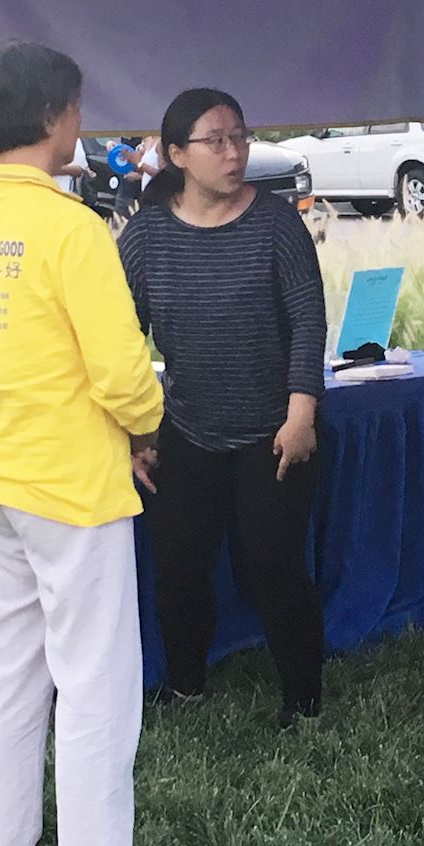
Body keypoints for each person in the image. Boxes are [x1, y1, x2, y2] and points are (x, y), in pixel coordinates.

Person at [0, 40, 163, 846]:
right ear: (49, 116)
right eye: (74, 106)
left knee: (8, 669)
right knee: (96, 682)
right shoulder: (71, 228)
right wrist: (145, 425)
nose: (80, 121)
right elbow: (121, 372)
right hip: (70, 484)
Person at [117, 89, 327, 728]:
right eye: (216, 141)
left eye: (240, 137)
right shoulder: (147, 234)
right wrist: (135, 434)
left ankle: (303, 700)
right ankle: (185, 685)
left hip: (273, 430)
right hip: (185, 430)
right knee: (179, 568)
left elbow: (308, 318)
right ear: (176, 154)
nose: (234, 153)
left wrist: (301, 414)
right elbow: (121, 336)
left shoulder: (275, 222)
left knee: (274, 565)